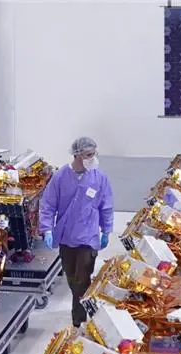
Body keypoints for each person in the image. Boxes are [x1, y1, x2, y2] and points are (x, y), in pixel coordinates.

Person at [39, 136, 114, 328]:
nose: (93, 158)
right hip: (66, 236)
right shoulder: (61, 177)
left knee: (83, 277)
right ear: (77, 155)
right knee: (72, 277)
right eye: (89, 155)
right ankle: (84, 304)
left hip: (88, 237)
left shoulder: (99, 178)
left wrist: (106, 230)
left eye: (94, 154)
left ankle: (79, 319)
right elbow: (48, 204)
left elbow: (106, 206)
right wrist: (47, 229)